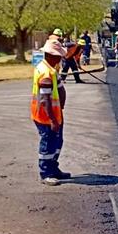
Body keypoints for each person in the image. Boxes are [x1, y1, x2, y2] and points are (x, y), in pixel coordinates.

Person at [31, 40, 70, 185]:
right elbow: (44, 100)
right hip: (45, 115)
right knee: (48, 143)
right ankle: (45, 173)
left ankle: (53, 168)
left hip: (55, 113)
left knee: (57, 142)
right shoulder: (46, 73)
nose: (60, 58)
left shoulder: (50, 69)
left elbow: (59, 88)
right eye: (58, 56)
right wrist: (53, 119)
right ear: (50, 55)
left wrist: (61, 108)